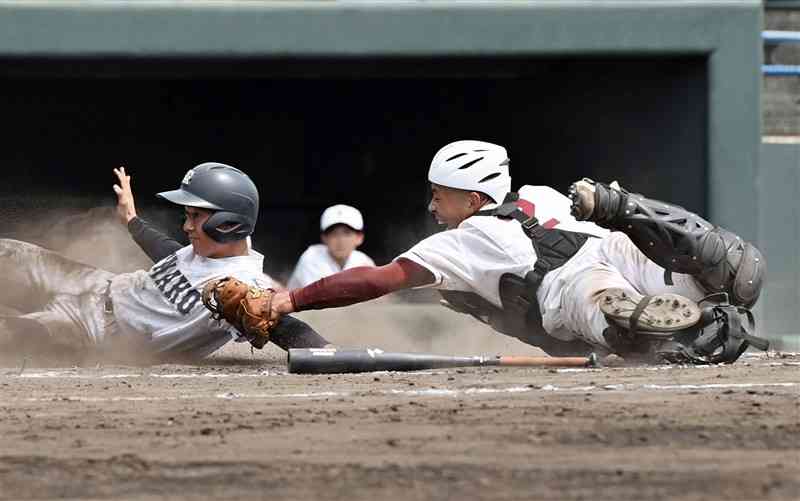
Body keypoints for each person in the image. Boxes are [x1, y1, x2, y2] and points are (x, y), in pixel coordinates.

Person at [218, 140, 767, 364]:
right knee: (631, 289)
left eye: (440, 194)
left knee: (604, 295)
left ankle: (680, 321)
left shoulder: (461, 242)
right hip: (599, 262)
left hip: (575, 277)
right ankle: (688, 302)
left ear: (475, 196)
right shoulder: (542, 195)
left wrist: (287, 302)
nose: (432, 205)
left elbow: (374, 281)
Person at [0, 162, 329, 363]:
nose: (186, 226)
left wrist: (332, 354)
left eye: (195, 216)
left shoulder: (243, 288)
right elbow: (168, 253)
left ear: (228, 224)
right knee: (8, 253)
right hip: (95, 282)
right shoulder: (207, 250)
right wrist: (132, 220)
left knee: (10, 333)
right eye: (187, 215)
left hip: (92, 330)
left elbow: (286, 328)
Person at [287, 204, 375, 289]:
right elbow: (323, 300)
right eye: (334, 234)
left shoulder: (364, 261)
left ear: (359, 238)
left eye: (347, 233)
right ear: (324, 238)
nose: (341, 240)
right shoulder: (311, 257)